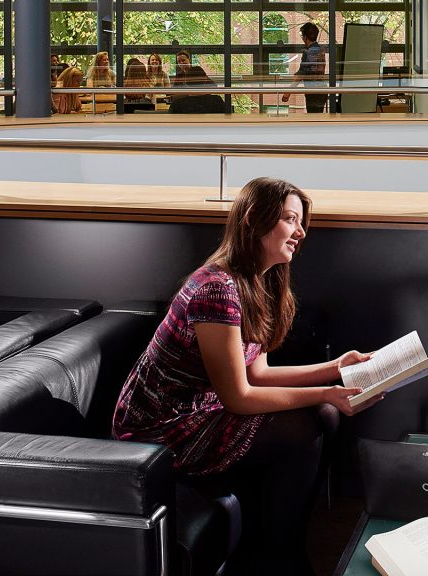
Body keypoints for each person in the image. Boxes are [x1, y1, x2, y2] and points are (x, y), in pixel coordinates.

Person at [112, 177, 381, 575]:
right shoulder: (214, 288)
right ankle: (276, 558)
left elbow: (260, 373)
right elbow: (239, 396)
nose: (301, 232)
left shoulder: (261, 282)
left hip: (205, 410)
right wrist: (328, 392)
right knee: (314, 417)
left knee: (323, 414)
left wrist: (338, 367)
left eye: (301, 222)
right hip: (161, 427)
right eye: (291, 219)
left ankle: (277, 551)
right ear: (255, 219)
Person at [283, 23, 328, 113]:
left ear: (305, 36)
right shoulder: (320, 50)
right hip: (322, 90)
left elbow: (301, 74)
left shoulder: (308, 52)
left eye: (302, 35)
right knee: (318, 118)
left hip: (313, 92)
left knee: (313, 119)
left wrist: (288, 92)